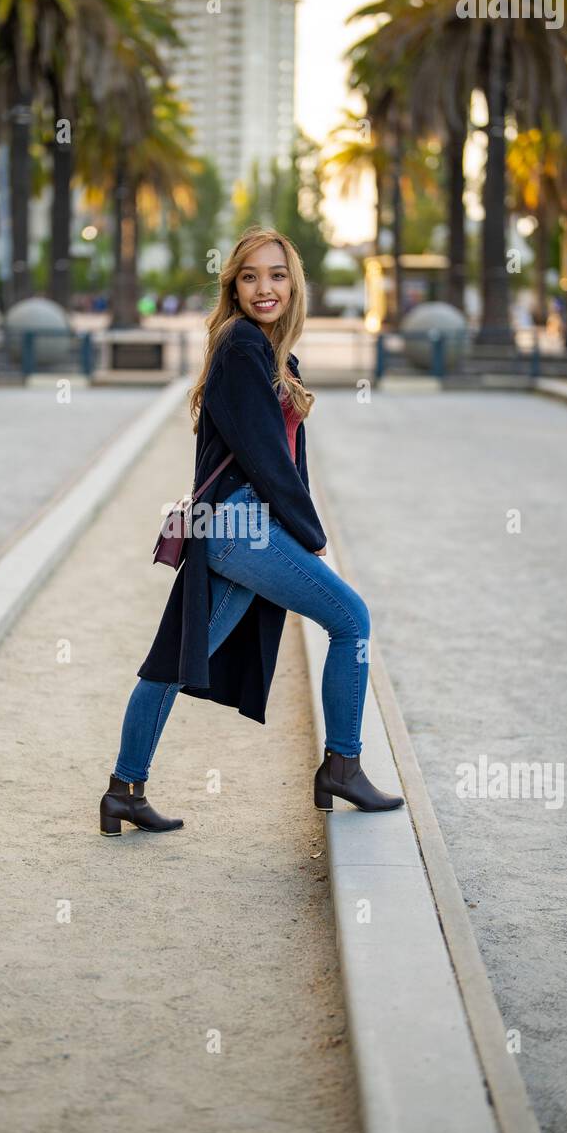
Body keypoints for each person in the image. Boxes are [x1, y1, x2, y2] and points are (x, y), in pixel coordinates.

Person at [99, 225, 404, 837]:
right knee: (351, 619)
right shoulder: (241, 346)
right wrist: (310, 533)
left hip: (234, 525)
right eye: (249, 276)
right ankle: (342, 765)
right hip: (242, 525)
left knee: (177, 659)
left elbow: (287, 458)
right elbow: (265, 454)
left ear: (294, 284)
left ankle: (123, 790)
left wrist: (298, 521)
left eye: (277, 275)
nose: (264, 288)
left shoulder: (268, 352)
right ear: (232, 286)